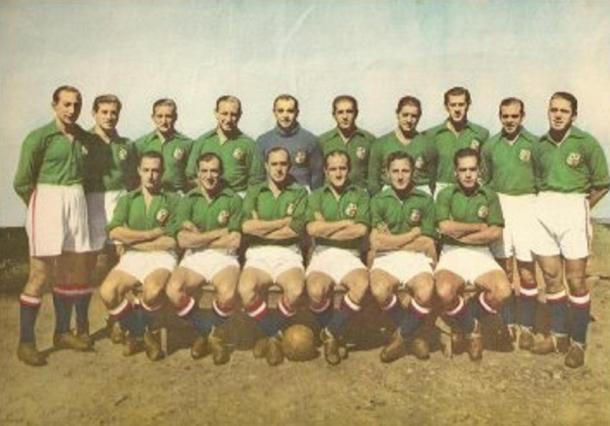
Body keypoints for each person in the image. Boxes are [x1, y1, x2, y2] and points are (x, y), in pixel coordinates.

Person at [14, 85, 94, 365]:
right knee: (39, 275)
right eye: (67, 104)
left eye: (77, 105)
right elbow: (22, 182)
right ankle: (26, 342)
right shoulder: (38, 137)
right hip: (47, 200)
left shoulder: (84, 138)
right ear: (55, 105)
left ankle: (62, 332)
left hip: (76, 199)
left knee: (71, 272)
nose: (72, 110)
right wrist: (40, 210)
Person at [529, 92, 609, 368]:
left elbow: (602, 183)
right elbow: (536, 181)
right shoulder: (539, 145)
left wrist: (584, 206)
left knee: (576, 280)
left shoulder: (586, 143)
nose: (558, 115)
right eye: (554, 110)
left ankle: (578, 342)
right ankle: (559, 336)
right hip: (544, 208)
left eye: (564, 110)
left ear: (574, 115)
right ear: (548, 112)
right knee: (551, 278)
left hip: (573, 207)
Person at [99, 151, 179, 361]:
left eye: (155, 171)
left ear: (162, 172)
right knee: (107, 292)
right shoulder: (127, 199)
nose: (151, 175)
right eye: (146, 170)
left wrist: (133, 240)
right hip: (133, 257)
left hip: (162, 257)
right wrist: (150, 234)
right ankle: (142, 332)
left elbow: (172, 240)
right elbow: (115, 231)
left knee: (152, 292)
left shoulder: (172, 200)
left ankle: (138, 334)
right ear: (139, 172)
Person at [434, 148, 511, 361]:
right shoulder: (445, 194)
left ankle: (463, 321)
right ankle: (473, 327)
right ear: (455, 172)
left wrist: (462, 235)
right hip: (452, 253)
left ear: (480, 170)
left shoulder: (489, 195)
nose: (468, 174)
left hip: (481, 254)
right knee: (443, 291)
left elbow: (495, 232)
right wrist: (478, 226)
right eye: (463, 170)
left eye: (472, 169)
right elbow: (444, 226)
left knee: (503, 291)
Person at [165, 153, 241, 365]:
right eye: (205, 171)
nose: (209, 176)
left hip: (223, 257)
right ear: (197, 174)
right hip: (194, 257)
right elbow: (182, 240)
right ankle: (209, 331)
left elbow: (234, 240)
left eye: (214, 171)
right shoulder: (189, 199)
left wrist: (197, 237)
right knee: (173, 290)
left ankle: (207, 334)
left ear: (221, 173)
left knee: (227, 294)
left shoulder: (232, 199)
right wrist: (218, 233)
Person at [238, 147, 308, 366]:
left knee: (296, 291)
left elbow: (295, 231)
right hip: (258, 253)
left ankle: (269, 335)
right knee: (245, 290)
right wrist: (281, 222)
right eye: (274, 164)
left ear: (290, 166)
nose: (279, 169)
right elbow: (247, 227)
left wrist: (263, 226)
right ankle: (274, 333)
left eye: (283, 164)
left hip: (288, 254)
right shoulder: (255, 191)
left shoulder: (299, 192)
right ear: (266, 166)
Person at [481, 97, 539, 349]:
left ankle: (526, 326)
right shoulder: (491, 145)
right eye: (505, 116)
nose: (510, 121)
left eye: (514, 116)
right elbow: (487, 180)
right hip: (501, 205)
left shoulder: (536, 144)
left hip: (527, 205)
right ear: (500, 116)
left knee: (526, 271)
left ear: (522, 117)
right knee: (503, 269)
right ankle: (504, 323)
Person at [369, 152, 437, 362]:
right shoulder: (379, 199)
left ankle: (400, 337)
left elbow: (427, 242)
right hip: (386, 257)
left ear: (413, 172)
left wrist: (394, 239)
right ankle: (412, 334)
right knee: (380, 291)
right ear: (387, 174)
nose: (400, 176)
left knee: (425, 292)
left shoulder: (424, 199)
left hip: (416, 257)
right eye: (395, 171)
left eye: (405, 171)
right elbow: (377, 242)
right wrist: (411, 234)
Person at [305, 150, 370, 365]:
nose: (338, 173)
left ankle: (330, 332)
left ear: (349, 170)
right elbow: (313, 229)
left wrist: (327, 227)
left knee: (361, 285)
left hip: (350, 253)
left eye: (342, 168)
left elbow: (360, 230)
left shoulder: (360, 194)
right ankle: (336, 334)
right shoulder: (316, 195)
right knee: (315, 291)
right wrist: (344, 223)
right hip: (323, 252)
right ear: (325, 171)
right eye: (333, 169)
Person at [187, 95, 264, 197]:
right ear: (216, 113)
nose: (228, 119)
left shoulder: (249, 144)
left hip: (238, 197)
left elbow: (256, 180)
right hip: (207, 198)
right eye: (224, 113)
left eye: (233, 114)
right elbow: (191, 175)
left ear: (240, 115)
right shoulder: (202, 141)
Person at [424, 87, 489, 197]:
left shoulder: (481, 133)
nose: (457, 109)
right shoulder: (431, 135)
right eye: (453, 105)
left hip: (470, 189)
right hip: (441, 189)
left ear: (468, 105)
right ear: (446, 107)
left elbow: (485, 168)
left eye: (461, 104)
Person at [368, 96, 437, 195]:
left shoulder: (428, 145)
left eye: (414, 116)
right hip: (389, 196)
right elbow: (373, 181)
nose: (409, 120)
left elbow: (432, 181)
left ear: (419, 117)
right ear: (397, 114)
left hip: (418, 196)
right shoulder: (380, 144)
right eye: (405, 115)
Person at [257, 94, 323, 190]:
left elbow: (317, 176)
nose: (285, 115)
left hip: (302, 195)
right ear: (274, 112)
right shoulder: (263, 141)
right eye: (280, 111)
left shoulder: (310, 140)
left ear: (297, 112)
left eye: (290, 111)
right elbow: (257, 177)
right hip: (273, 196)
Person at [134, 98, 193, 193]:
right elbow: (134, 176)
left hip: (177, 196)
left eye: (168, 116)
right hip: (150, 197)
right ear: (153, 117)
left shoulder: (187, 144)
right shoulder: (141, 144)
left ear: (175, 117)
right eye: (159, 116)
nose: (164, 121)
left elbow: (193, 176)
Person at [319, 95, 376, 189]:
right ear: (334, 115)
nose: (345, 117)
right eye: (340, 112)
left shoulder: (369, 141)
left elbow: (374, 176)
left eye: (349, 112)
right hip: (330, 198)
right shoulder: (323, 141)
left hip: (360, 198)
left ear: (356, 113)